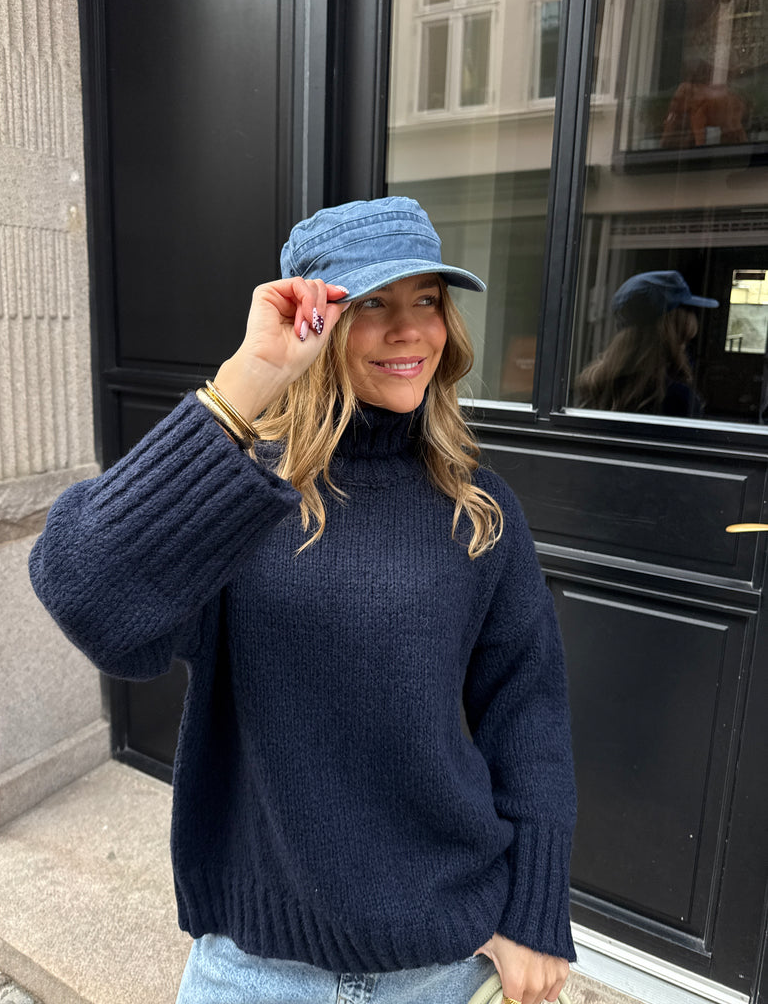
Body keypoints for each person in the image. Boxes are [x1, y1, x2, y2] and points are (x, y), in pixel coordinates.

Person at [29, 197, 577, 1004]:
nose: (410, 330)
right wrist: (245, 384)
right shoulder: (240, 494)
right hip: (257, 973)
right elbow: (85, 591)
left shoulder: (480, 508)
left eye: (427, 300)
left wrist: (534, 910)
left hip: (441, 965)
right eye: (373, 305)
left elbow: (528, 715)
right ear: (316, 323)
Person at [575, 270, 718, 416]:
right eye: (683, 340)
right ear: (673, 336)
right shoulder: (679, 399)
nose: (684, 350)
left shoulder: (596, 387)